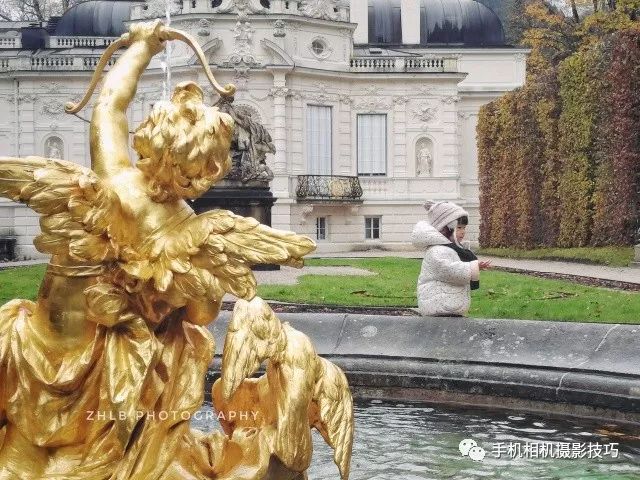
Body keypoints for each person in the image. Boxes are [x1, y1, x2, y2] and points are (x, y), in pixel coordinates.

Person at [411, 201, 491, 317]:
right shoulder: (438, 250)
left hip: (446, 304)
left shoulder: (449, 248)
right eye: (459, 228)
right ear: (445, 229)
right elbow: (447, 270)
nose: (463, 232)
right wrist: (472, 267)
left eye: (464, 228)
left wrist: (472, 266)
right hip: (439, 305)